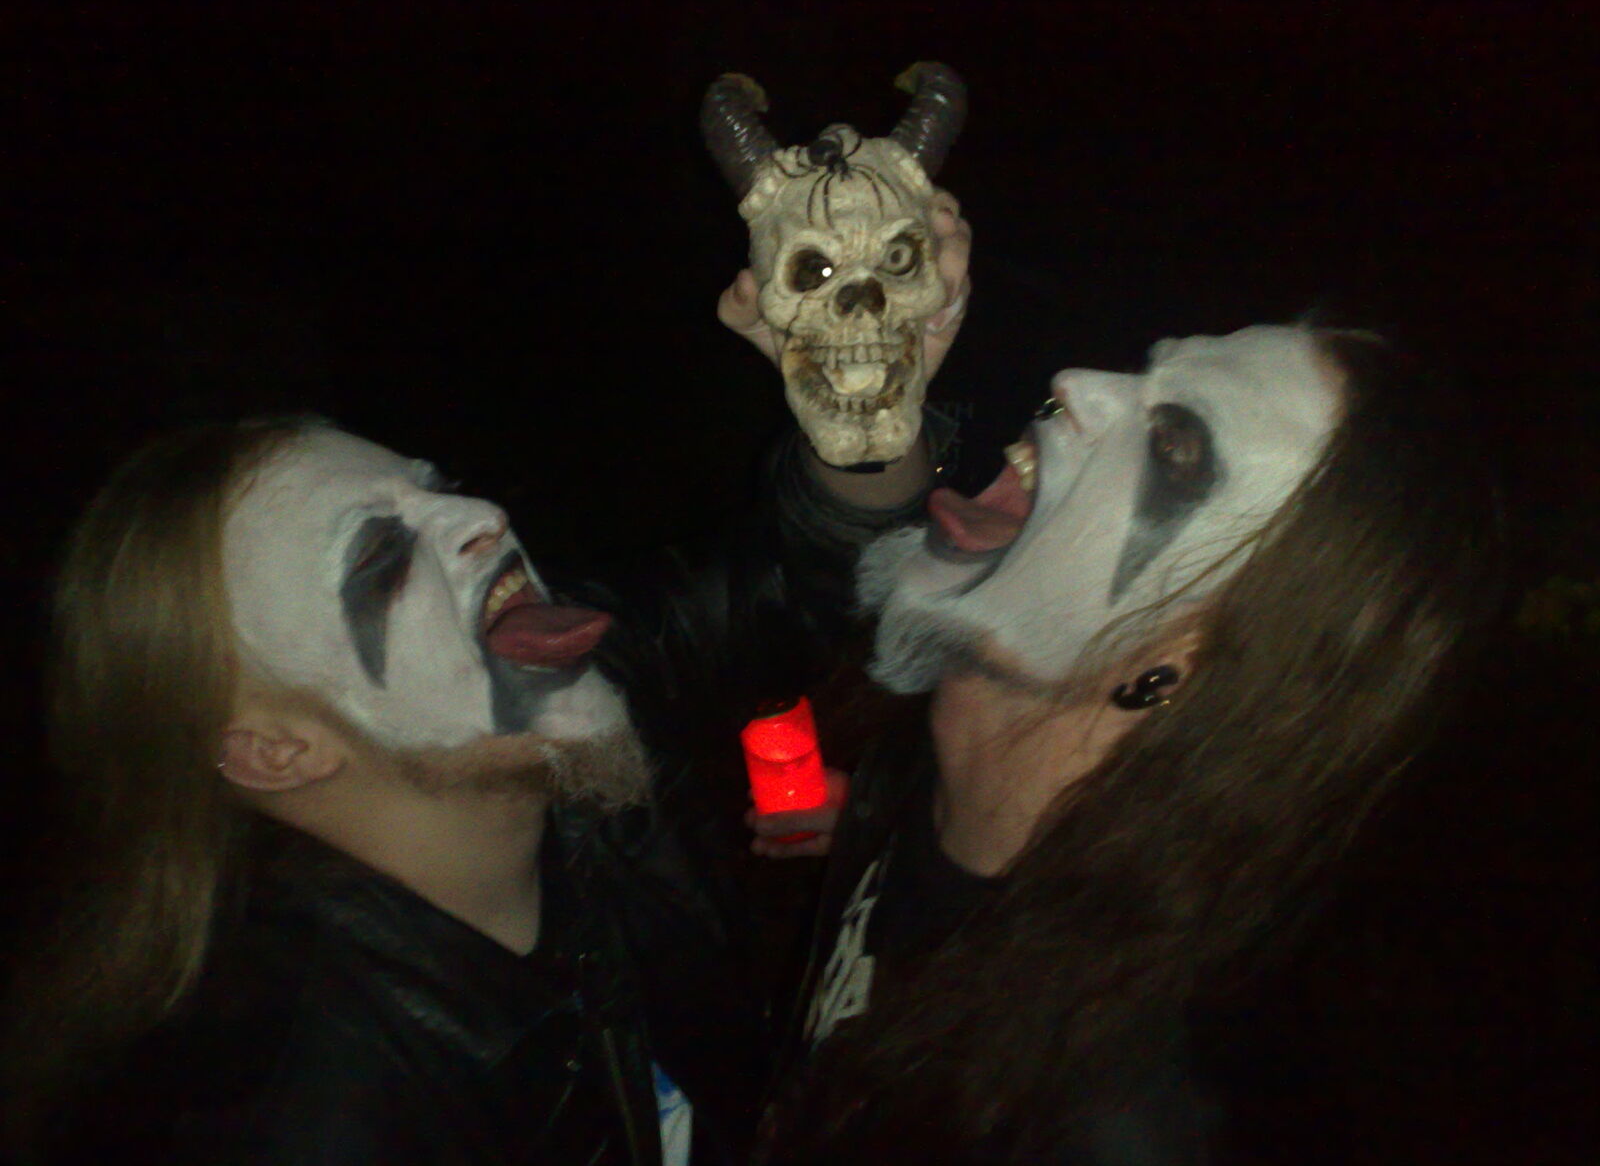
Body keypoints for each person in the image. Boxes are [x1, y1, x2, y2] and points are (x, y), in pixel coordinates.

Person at [1, 205, 972, 1166]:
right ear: (276, 750)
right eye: (381, 560)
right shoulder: (307, 1115)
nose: (480, 517)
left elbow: (797, 583)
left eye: (436, 488)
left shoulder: (548, 725)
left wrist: (864, 413)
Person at [758, 325, 1504, 1163]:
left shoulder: (1106, 1120)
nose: (1074, 380)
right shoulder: (907, 787)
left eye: (1176, 444)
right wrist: (867, 829)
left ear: (1191, 668)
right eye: (1148, 372)